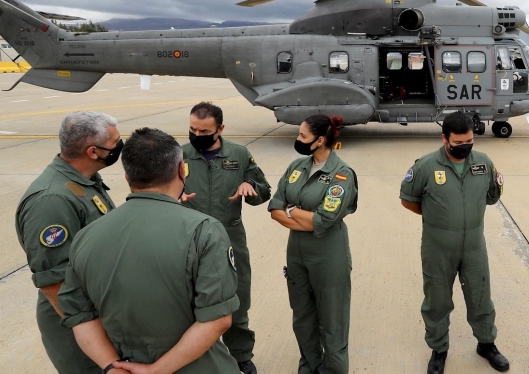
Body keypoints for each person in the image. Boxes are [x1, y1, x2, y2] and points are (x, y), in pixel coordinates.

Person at [57, 127, 241, 374]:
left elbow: (79, 315)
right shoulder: (203, 230)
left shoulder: (86, 236)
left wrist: (112, 366)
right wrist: (155, 371)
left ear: (127, 176)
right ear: (180, 170)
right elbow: (218, 319)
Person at [400, 112, 509, 374]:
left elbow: (493, 196)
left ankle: (486, 344)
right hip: (437, 247)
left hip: (474, 246)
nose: (465, 147)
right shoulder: (425, 166)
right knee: (437, 300)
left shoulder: (483, 162)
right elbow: (408, 199)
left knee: (481, 297)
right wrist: (439, 217)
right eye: (458, 143)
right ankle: (439, 349)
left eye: (469, 141)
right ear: (445, 139)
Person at [15, 111, 121, 374]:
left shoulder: (84, 181)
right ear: (93, 152)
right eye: (116, 143)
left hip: (99, 311)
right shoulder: (52, 201)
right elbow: (55, 284)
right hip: (81, 327)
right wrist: (100, 346)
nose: (120, 147)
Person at [181, 101, 271, 374]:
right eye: (192, 129)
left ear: (220, 128)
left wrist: (250, 186)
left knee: (237, 301)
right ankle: (194, 356)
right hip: (188, 240)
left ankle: (241, 356)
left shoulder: (239, 155)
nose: (197, 135)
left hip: (230, 239)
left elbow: (265, 191)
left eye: (204, 130)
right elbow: (157, 191)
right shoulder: (179, 155)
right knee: (188, 302)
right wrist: (173, 198)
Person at [267, 114, 358, 374]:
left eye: (302, 136)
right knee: (303, 318)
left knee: (332, 321)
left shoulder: (341, 175)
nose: (298, 139)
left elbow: (325, 220)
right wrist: (302, 217)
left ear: (320, 140)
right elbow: (274, 208)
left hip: (329, 254)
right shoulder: (297, 166)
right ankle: (309, 367)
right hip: (297, 252)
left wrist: (292, 210)